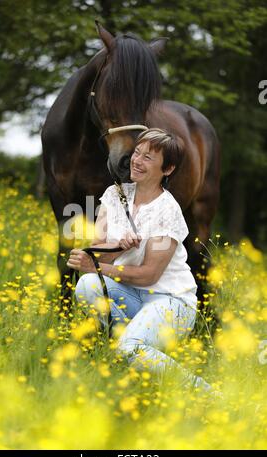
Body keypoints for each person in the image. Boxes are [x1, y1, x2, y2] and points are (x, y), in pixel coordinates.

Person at [67, 128, 213, 393]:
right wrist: (115, 249)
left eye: (148, 157)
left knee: (129, 347)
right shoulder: (115, 194)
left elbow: (149, 275)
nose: (136, 160)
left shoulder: (167, 211)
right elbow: (95, 249)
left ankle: (203, 393)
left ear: (167, 169)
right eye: (137, 152)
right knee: (87, 285)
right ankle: (132, 354)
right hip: (132, 295)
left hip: (170, 300)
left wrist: (99, 266)